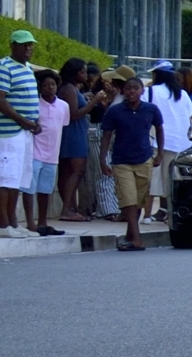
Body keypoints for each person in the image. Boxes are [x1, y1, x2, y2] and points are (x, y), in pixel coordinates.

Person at [98, 72, 164, 252]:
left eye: (135, 88)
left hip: (144, 159)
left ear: (142, 91)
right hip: (121, 161)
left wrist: (160, 154)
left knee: (139, 201)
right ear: (123, 91)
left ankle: (129, 236)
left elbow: (159, 129)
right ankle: (137, 239)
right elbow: (106, 136)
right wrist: (103, 159)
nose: (132, 92)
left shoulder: (151, 109)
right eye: (128, 89)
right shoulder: (115, 111)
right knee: (128, 199)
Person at [0, 29, 37, 240]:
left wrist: (34, 121)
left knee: (18, 178)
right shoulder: (4, 67)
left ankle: (13, 222)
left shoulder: (28, 68)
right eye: (24, 45)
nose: (28, 48)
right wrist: (23, 121)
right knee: (6, 178)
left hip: (25, 132)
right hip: (9, 131)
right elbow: (1, 100)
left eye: (30, 44)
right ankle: (3, 224)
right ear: (12, 45)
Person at [143, 61, 190, 222]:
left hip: (157, 141)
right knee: (170, 182)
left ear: (157, 75)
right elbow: (188, 114)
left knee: (152, 181)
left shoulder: (150, 91)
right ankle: (170, 215)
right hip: (179, 143)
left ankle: (147, 215)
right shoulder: (182, 94)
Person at [26, 68, 65, 236]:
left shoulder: (64, 106)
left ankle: (43, 222)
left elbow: (62, 126)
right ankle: (30, 223)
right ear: (40, 87)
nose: (50, 87)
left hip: (52, 155)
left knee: (45, 190)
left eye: (53, 84)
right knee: (29, 188)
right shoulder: (34, 104)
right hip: (35, 153)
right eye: (46, 85)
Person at [54, 59, 94, 221]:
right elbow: (74, 114)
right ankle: (67, 209)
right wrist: (94, 102)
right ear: (75, 73)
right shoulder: (69, 88)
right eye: (82, 72)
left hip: (69, 133)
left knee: (67, 172)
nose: (85, 75)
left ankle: (71, 207)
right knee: (76, 171)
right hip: (74, 134)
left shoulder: (68, 88)